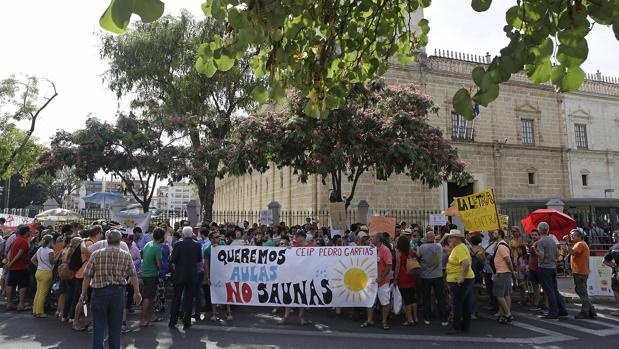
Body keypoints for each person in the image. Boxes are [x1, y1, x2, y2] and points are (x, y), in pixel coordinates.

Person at [81, 229, 141, 349]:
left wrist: (83, 294)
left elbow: (87, 276)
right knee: (115, 326)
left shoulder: (96, 254)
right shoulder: (126, 255)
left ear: (107, 240)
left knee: (98, 325)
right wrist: (137, 292)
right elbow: (133, 275)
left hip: (99, 292)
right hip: (118, 292)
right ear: (120, 240)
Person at [532, 222, 568, 320]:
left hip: (544, 267)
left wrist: (534, 250)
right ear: (547, 230)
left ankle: (553, 312)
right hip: (552, 267)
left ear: (539, 230)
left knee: (549, 290)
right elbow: (557, 254)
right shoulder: (552, 240)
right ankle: (562, 309)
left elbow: (541, 256)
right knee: (554, 289)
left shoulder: (541, 242)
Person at [169, 227, 203, 330]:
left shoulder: (178, 244)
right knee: (189, 298)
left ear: (183, 234)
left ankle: (172, 321)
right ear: (192, 234)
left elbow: (173, 260)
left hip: (180, 274)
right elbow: (199, 259)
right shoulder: (197, 244)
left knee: (176, 298)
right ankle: (187, 322)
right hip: (192, 274)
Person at [444, 229, 475, 334]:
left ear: (457, 238)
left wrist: (462, 277)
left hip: (460, 280)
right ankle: (465, 326)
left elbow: (465, 263)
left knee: (457, 303)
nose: (449, 239)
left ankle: (456, 327)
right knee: (465, 303)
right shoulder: (459, 247)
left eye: (451, 237)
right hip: (464, 279)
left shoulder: (459, 248)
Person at [361, 232, 392, 330]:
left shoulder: (385, 250)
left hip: (382, 281)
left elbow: (389, 265)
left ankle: (384, 321)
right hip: (371, 281)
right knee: (370, 301)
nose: (371, 239)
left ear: (378, 240)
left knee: (385, 302)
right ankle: (369, 320)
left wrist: (382, 277)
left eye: (373, 238)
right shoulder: (371, 249)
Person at [417, 231, 448, 326]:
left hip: (425, 276)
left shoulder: (422, 247)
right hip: (438, 276)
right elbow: (440, 243)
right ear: (434, 237)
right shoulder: (438, 247)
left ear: (426, 238)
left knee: (426, 298)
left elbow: (418, 256)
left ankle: (427, 318)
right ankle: (444, 319)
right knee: (440, 298)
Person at [280, 230, 310, 325]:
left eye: (298, 238)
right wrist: (288, 250)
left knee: (302, 296)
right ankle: (286, 316)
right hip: (292, 275)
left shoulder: (310, 248)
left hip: (304, 275)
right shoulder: (294, 247)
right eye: (296, 238)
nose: (297, 240)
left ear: (303, 238)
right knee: (289, 295)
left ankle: (301, 317)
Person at [565, 229, 595, 319]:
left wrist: (567, 242)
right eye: (571, 235)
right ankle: (591, 310)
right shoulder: (579, 244)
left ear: (579, 236)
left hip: (580, 272)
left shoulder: (580, 244)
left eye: (573, 235)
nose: (571, 236)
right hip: (580, 271)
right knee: (581, 291)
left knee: (582, 292)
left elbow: (571, 252)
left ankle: (585, 311)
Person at [140, 227, 165, 327]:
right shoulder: (157, 248)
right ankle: (143, 319)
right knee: (148, 297)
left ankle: (152, 316)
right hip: (151, 274)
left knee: (150, 297)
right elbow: (159, 264)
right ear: (162, 237)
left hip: (146, 273)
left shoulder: (148, 244)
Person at [5, 225, 31, 311]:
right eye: (29, 231)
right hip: (21, 267)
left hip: (13, 267)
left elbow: (9, 252)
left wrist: (9, 262)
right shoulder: (24, 241)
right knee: (22, 285)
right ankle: (21, 304)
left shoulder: (16, 239)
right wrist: (11, 262)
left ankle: (9, 303)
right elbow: (20, 253)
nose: (30, 233)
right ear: (26, 232)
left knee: (11, 284)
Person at [394, 235, 418, 326]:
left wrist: (396, 279)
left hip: (403, 277)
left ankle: (409, 319)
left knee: (406, 298)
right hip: (411, 275)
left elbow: (398, 266)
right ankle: (415, 317)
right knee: (412, 297)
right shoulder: (411, 251)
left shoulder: (398, 252)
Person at [493, 230, 515, 324]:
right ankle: (505, 314)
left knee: (499, 295)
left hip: (502, 273)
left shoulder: (501, 246)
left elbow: (508, 260)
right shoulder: (500, 245)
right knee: (506, 294)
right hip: (504, 272)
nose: (492, 234)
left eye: (495, 233)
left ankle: (508, 314)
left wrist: (512, 272)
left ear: (500, 235)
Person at [31, 234, 56, 318]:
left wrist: (39, 265)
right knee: (43, 293)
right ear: (50, 241)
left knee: (38, 292)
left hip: (39, 271)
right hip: (46, 272)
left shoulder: (40, 249)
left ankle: (35, 310)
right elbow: (52, 262)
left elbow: (32, 259)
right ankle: (40, 312)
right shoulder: (50, 251)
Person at [603, 231, 619, 317]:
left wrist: (613, 266)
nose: (612, 238)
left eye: (613, 237)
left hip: (616, 272)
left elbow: (604, 261)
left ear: (617, 237)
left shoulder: (613, 248)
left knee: (616, 290)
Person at [527, 229, 543, 311]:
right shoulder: (531, 243)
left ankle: (543, 304)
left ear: (539, 235)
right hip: (532, 268)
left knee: (543, 286)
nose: (533, 236)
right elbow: (530, 256)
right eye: (532, 234)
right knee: (535, 286)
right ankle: (536, 303)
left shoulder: (540, 243)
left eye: (535, 235)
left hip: (540, 268)